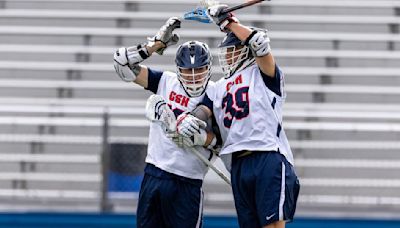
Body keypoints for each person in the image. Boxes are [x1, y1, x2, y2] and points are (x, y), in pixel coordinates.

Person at [175, 5, 300, 228]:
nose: (227, 54)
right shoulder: (219, 86)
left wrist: (229, 22)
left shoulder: (263, 74)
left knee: (272, 226)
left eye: (232, 49)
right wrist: (189, 119)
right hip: (238, 163)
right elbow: (203, 111)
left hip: (267, 156)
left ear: (244, 49)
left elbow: (260, 44)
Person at [113, 17, 218, 228]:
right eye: (188, 70)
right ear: (179, 69)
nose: (194, 75)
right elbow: (122, 65)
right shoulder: (165, 81)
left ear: (208, 68)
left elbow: (222, 142)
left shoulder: (216, 91)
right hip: (154, 173)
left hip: (187, 181)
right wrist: (155, 45)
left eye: (199, 69)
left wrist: (199, 138)